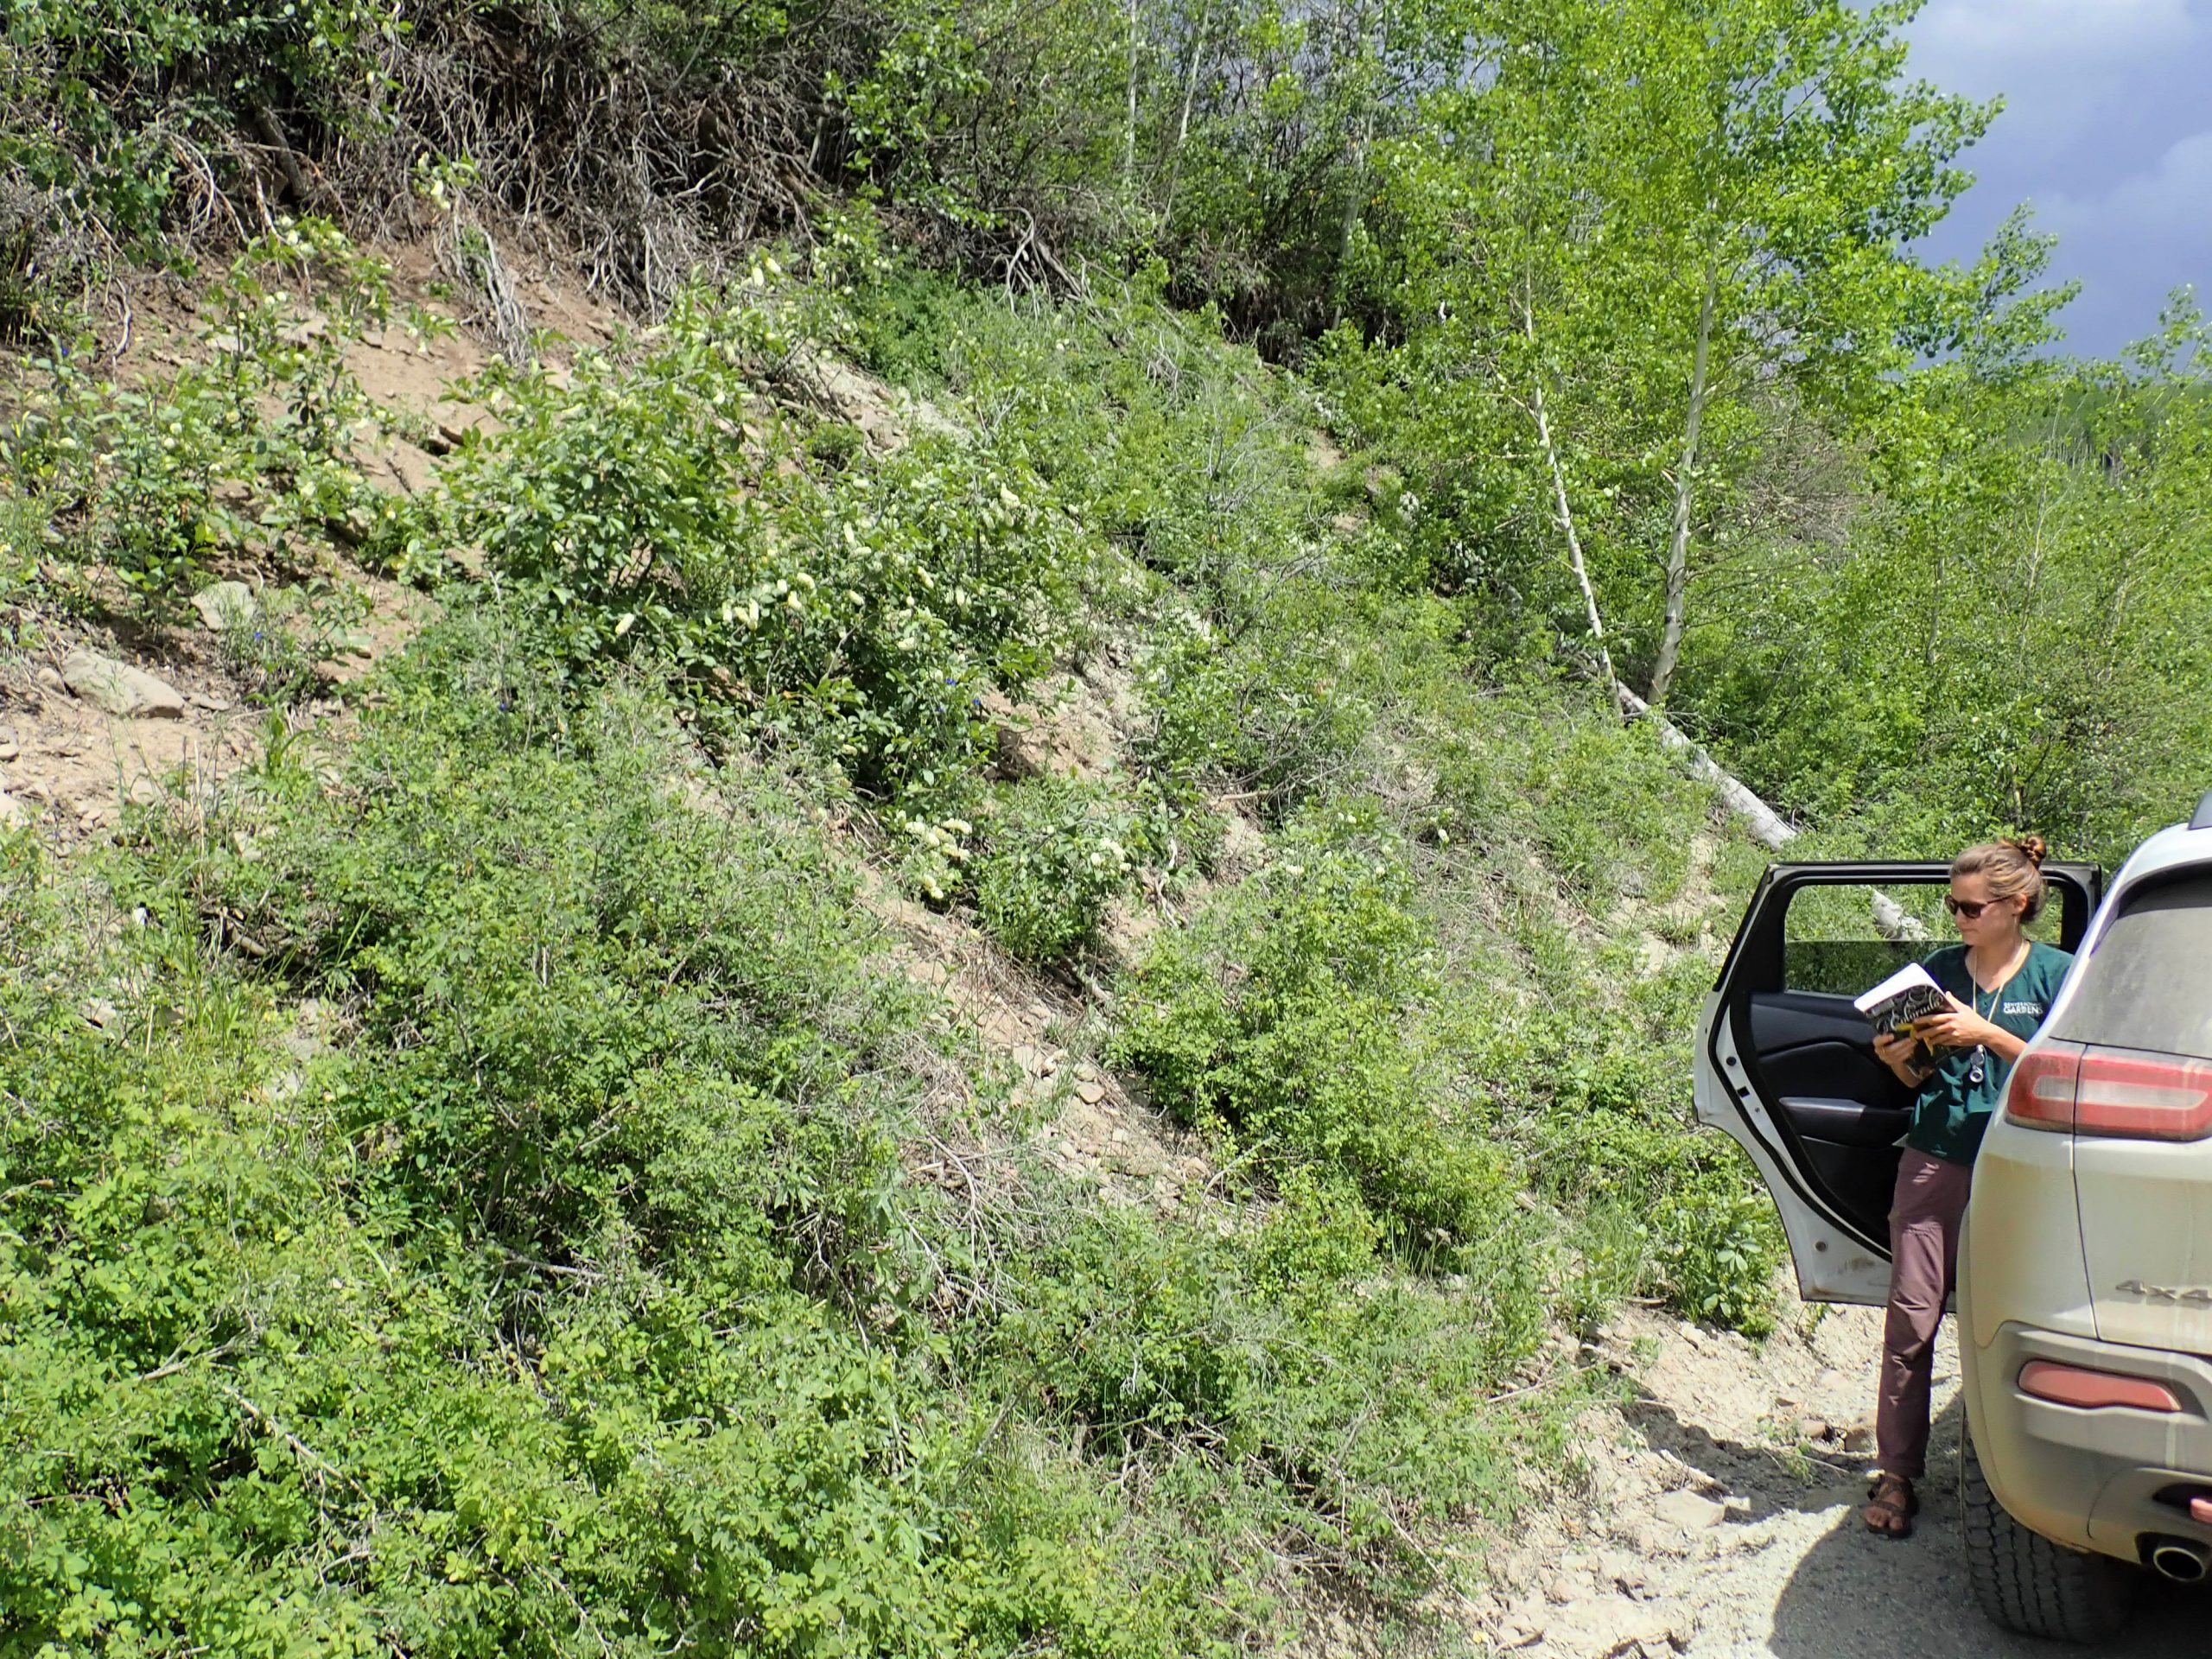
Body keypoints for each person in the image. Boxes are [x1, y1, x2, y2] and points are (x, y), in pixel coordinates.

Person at [1861, 836, 2072, 1540]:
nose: (1958, 917)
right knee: (1911, 1318)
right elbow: (1917, 1079)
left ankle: (2033, 1480)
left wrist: (1991, 1034)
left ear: (2016, 906)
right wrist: (1899, 1059)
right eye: (1952, 905)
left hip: (2025, 1168)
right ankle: (1896, 1472)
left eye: (1971, 907)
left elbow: (2079, 1068)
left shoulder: (2060, 976)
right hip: (1936, 1156)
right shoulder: (1941, 971)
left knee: (2024, 1325)